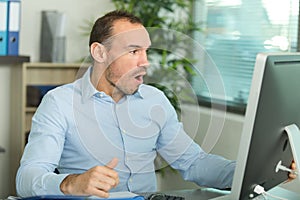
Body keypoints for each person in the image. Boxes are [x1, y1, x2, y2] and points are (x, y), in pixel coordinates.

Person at [16, 10, 293, 198]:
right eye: (133, 51)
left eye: (145, 51)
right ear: (99, 52)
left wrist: (250, 174)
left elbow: (194, 163)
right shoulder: (59, 103)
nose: (145, 61)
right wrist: (72, 182)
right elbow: (28, 177)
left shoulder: (154, 100)